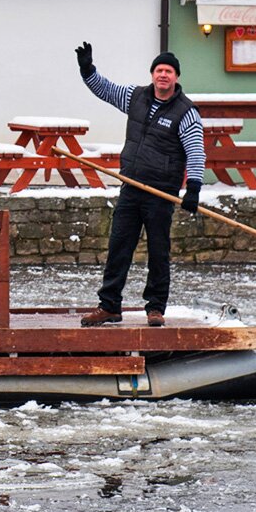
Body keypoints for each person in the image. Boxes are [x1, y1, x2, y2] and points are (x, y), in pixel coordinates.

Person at [74, 43, 204, 329]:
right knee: (119, 246)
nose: (163, 75)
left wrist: (193, 187)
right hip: (131, 187)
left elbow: (195, 150)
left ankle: (155, 308)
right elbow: (105, 89)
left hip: (160, 193)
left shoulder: (186, 112)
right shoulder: (135, 97)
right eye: (159, 70)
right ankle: (109, 306)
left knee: (159, 252)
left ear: (176, 78)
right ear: (152, 74)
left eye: (168, 71)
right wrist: (87, 69)